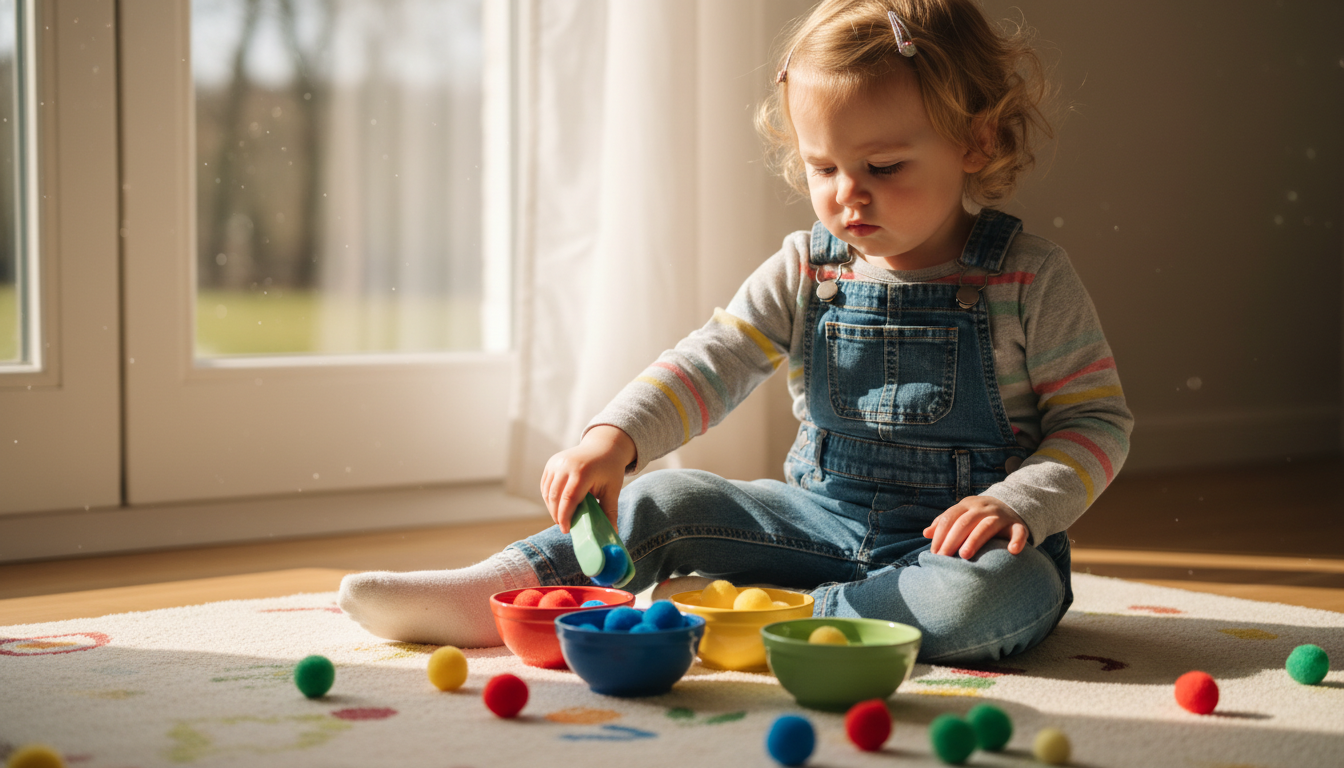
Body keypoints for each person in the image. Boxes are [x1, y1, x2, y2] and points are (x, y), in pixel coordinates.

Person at [339, 0, 1132, 664]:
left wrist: (1017, 503)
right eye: (824, 168)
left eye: (883, 167)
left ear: (976, 141)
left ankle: (776, 618)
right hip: (818, 521)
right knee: (665, 498)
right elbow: (712, 361)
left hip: (955, 549)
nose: (847, 196)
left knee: (985, 600)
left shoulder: (1028, 276)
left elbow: (1095, 424)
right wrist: (613, 437)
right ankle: (510, 590)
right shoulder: (805, 267)